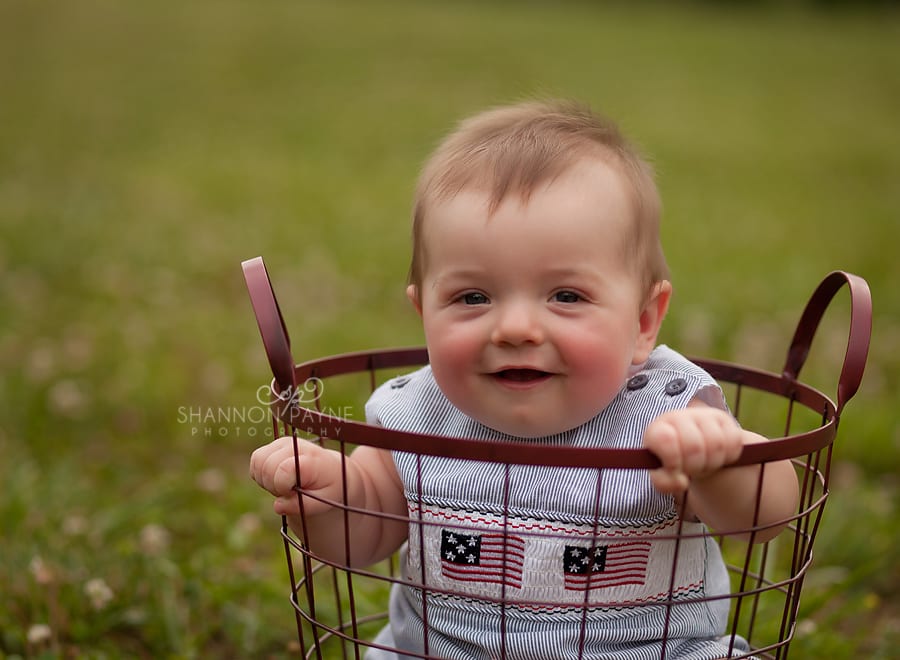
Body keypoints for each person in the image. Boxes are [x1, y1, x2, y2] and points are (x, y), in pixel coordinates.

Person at [249, 100, 800, 659]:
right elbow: (364, 531)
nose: (515, 328)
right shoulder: (418, 415)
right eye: (472, 297)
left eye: (566, 296)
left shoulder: (667, 411)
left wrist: (721, 462)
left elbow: (763, 519)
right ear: (424, 315)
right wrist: (331, 495)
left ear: (642, 323)